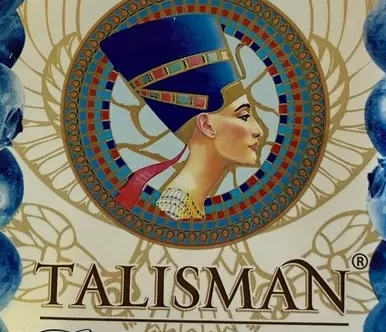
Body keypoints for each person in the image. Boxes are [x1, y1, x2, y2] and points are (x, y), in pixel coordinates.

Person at [100, 13, 264, 220]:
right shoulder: (175, 209)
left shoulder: (190, 204)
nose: (259, 130)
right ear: (207, 126)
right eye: (244, 116)